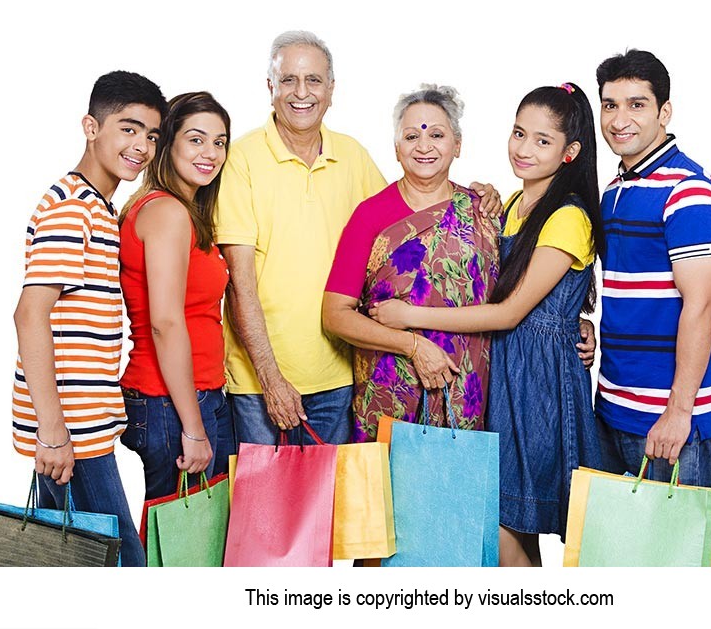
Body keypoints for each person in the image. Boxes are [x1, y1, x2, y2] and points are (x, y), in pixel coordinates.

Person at [215, 30, 502, 446]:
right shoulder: (241, 159)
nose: (302, 93)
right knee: (275, 507)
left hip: (348, 377)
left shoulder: (353, 157)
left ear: (331, 90)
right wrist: (271, 379)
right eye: (289, 80)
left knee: (336, 506)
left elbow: (425, 225)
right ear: (270, 88)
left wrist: (571, 324)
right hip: (272, 380)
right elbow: (240, 283)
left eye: (313, 80)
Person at [370, 83, 604, 566]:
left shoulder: (567, 215)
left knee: (506, 526)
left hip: (538, 384)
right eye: (519, 133)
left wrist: (409, 317)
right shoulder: (516, 201)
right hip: (505, 370)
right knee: (505, 524)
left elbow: (509, 312)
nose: (523, 148)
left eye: (542, 140)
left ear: (570, 152)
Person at [12, 71, 168, 566]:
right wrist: (54, 434)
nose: (141, 146)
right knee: (124, 566)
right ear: (91, 127)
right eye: (129, 128)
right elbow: (29, 315)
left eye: (151, 135)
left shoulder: (100, 208)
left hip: (81, 429)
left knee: (81, 566)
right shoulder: (72, 209)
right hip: (70, 435)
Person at [322, 85, 499, 441]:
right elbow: (335, 314)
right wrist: (413, 346)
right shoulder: (370, 215)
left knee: (455, 489)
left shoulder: (483, 211)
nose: (424, 146)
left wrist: (576, 326)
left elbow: (512, 299)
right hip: (388, 390)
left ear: (458, 145)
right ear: (396, 148)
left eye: (436, 134)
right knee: (384, 491)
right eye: (411, 136)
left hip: (465, 389)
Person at [591, 49, 711, 487]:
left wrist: (678, 412)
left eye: (637, 104)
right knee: (609, 553)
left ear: (664, 112)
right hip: (611, 407)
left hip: (669, 423)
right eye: (610, 105)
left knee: (671, 556)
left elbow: (702, 307)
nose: (620, 119)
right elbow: (625, 291)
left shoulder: (688, 191)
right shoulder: (616, 189)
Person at [118, 92, 234, 501]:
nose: (211, 153)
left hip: (196, 395)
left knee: (197, 544)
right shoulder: (167, 212)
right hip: (171, 403)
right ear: (167, 143)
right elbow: (165, 323)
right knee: (177, 549)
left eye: (219, 142)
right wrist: (193, 427)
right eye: (196, 139)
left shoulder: (184, 211)